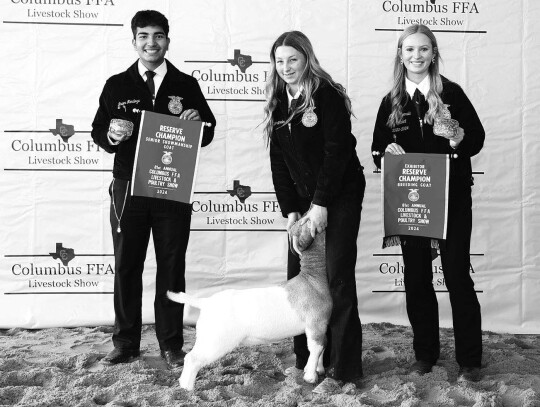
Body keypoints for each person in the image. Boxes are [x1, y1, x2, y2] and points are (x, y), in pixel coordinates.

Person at [91, 10, 215, 369]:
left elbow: (207, 131)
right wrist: (111, 136)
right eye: (143, 36)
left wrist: (198, 123)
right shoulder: (117, 84)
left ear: (167, 41)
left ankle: (171, 344)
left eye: (158, 35)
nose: (151, 42)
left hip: (170, 187)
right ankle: (126, 342)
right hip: (128, 188)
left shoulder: (185, 85)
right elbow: (99, 130)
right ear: (134, 41)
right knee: (127, 265)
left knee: (172, 267)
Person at [371, 24, 485, 382]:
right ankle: (425, 355)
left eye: (423, 49)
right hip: (411, 203)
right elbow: (377, 149)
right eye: (409, 50)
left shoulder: (451, 94)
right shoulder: (391, 101)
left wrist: (456, 138)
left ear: (434, 53)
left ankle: (470, 360)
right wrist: (385, 154)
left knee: (456, 276)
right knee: (417, 279)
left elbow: (476, 139)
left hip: (451, 199)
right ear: (400, 55)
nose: (416, 56)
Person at [263, 31, 365, 393]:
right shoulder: (278, 101)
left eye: (293, 59)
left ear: (307, 58)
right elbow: (279, 163)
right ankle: (307, 357)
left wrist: (321, 204)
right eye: (279, 61)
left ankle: (345, 365)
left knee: (336, 275)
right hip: (305, 200)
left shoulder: (327, 95)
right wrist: (292, 211)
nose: (286, 67)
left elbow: (338, 153)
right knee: (301, 281)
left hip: (340, 194)